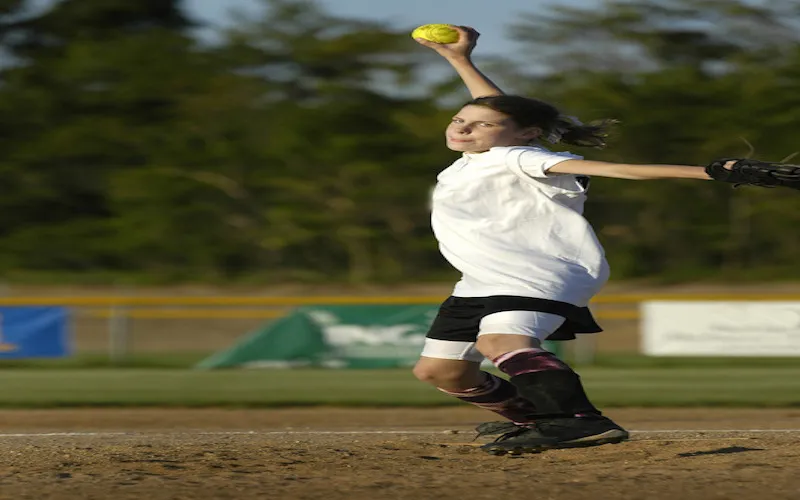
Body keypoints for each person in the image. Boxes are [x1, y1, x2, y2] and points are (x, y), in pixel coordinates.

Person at [411, 26, 713, 456]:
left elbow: (622, 170)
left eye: (480, 125)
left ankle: (578, 421)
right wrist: (459, 60)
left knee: (499, 343)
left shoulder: (520, 156)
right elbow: (500, 115)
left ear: (527, 134)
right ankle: (537, 418)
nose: (463, 127)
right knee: (441, 372)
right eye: (460, 119)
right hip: (480, 281)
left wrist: (715, 172)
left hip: (538, 272)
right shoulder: (478, 157)